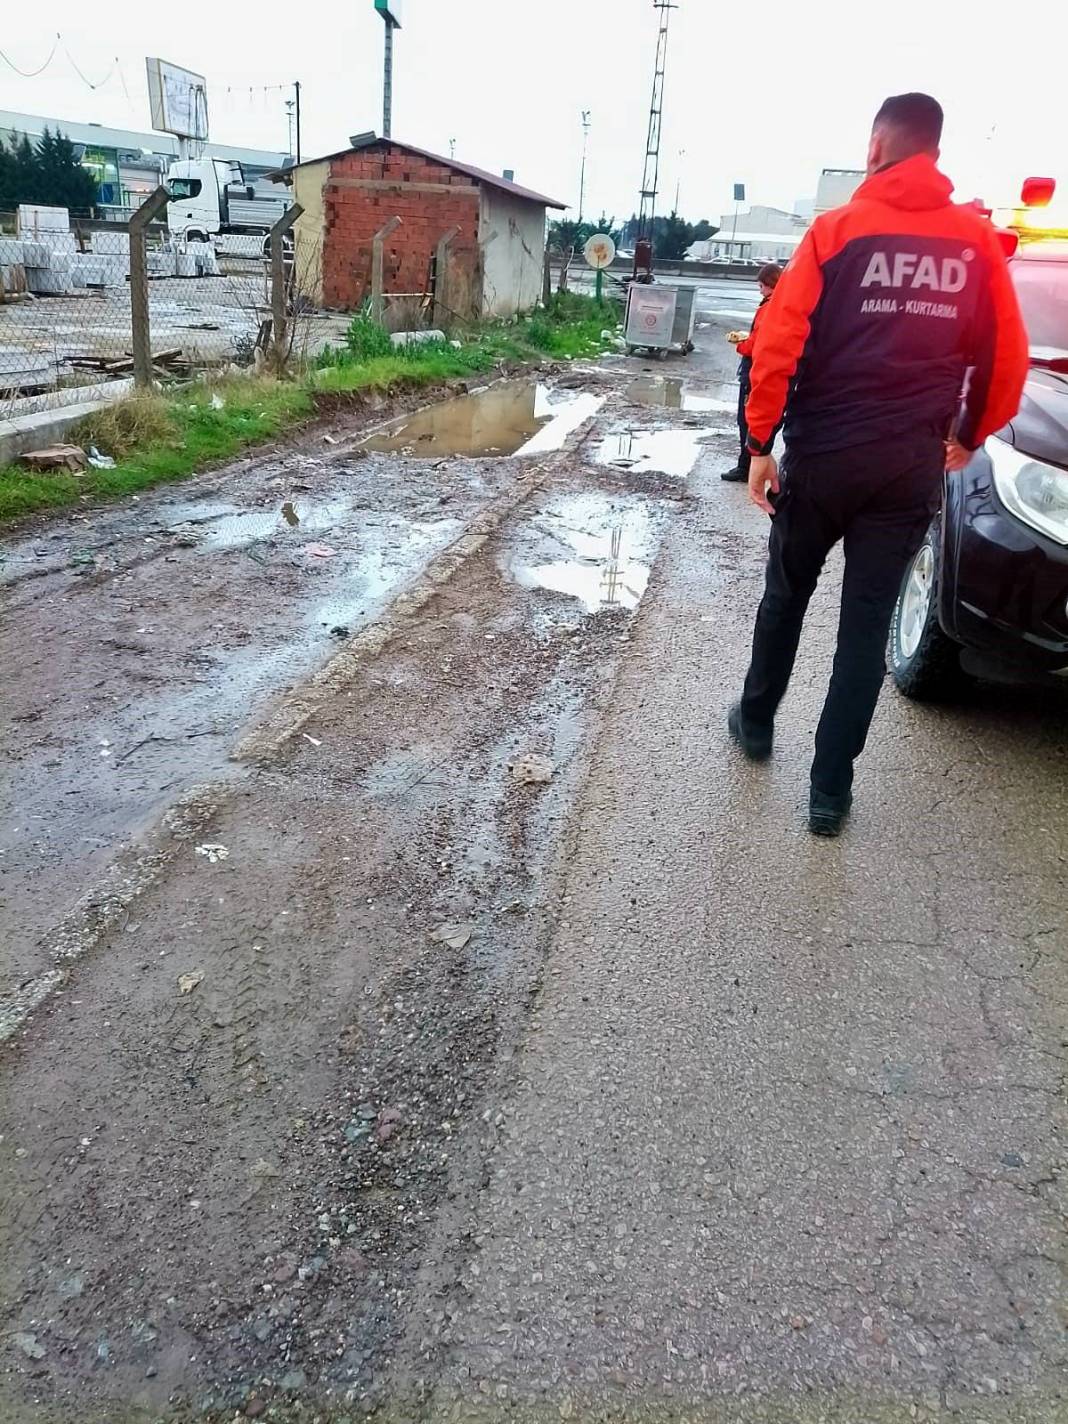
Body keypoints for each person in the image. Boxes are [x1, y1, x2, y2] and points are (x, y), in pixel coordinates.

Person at [728, 92, 1029, 836]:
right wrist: (970, 434)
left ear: (875, 149)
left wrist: (761, 445)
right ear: (935, 151)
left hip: (823, 458)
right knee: (864, 629)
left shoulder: (836, 232)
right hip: (906, 468)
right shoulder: (975, 242)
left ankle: (756, 722)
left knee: (786, 595)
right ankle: (829, 793)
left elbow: (777, 345)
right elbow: (1006, 357)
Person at [722, 263, 783, 482]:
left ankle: (746, 466)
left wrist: (740, 345)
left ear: (770, 284)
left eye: (761, 286)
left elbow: (759, 343)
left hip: (755, 369)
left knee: (747, 419)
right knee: (759, 419)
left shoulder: (769, 307)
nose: (760, 291)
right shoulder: (781, 304)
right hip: (768, 369)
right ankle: (753, 464)